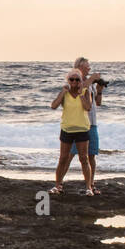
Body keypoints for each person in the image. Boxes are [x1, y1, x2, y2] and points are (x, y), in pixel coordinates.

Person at [63, 55, 104, 193]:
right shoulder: (74, 81)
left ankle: (91, 185)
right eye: (87, 66)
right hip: (78, 124)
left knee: (91, 155)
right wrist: (92, 78)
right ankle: (59, 183)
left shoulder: (90, 83)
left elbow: (97, 103)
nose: (90, 68)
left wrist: (99, 91)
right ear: (80, 67)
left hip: (92, 123)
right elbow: (78, 89)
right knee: (70, 155)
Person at [50, 68, 93, 195]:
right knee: (63, 158)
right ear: (68, 80)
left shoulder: (85, 91)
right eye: (71, 79)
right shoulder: (65, 92)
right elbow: (53, 106)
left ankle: (89, 188)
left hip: (82, 129)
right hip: (67, 129)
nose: (74, 82)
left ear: (81, 81)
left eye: (77, 79)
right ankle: (58, 186)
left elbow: (88, 107)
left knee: (84, 159)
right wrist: (63, 92)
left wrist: (80, 94)